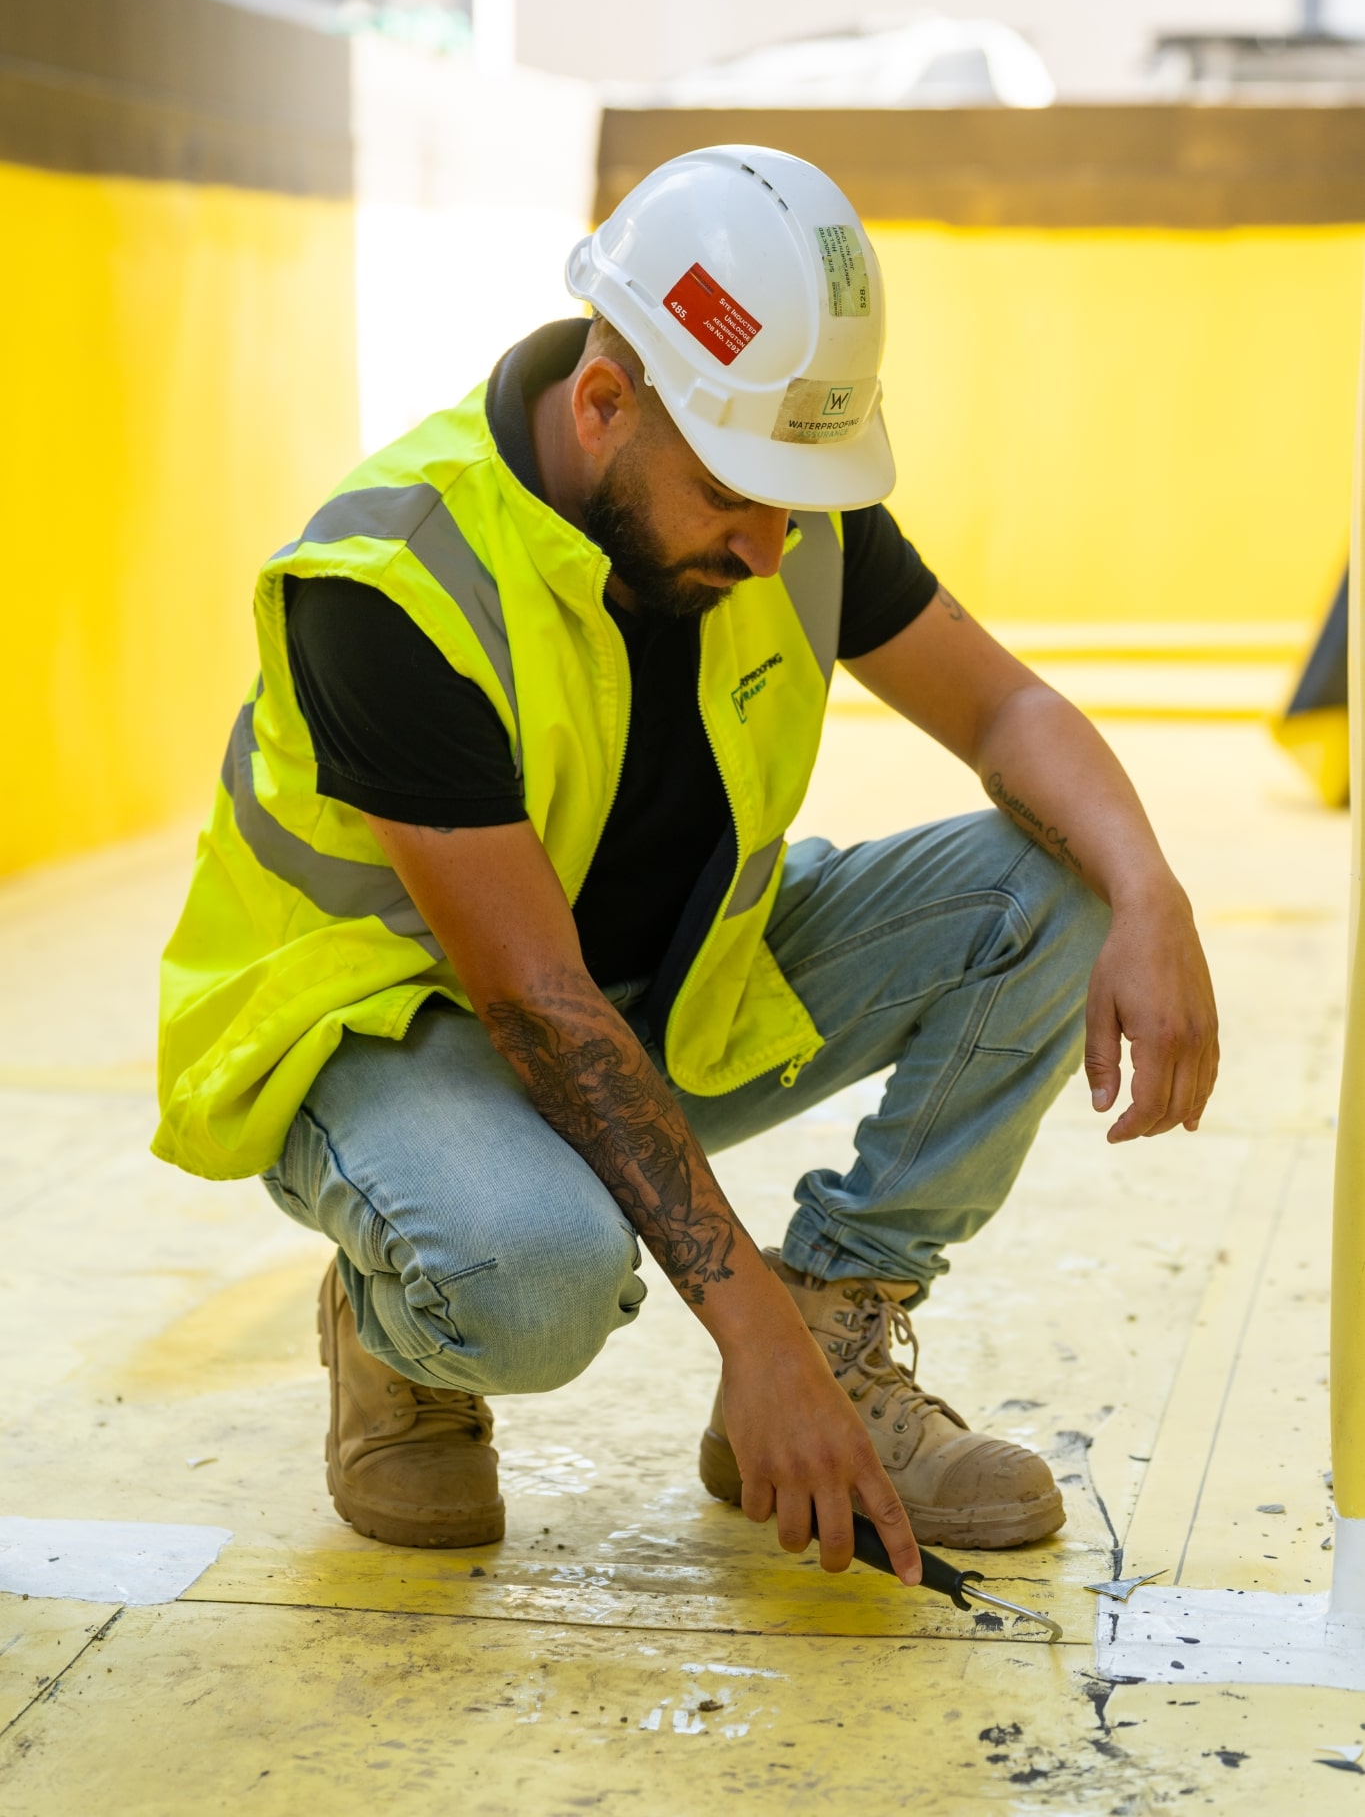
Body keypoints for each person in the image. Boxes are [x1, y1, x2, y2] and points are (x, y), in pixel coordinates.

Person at [156, 145, 1218, 1585]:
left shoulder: (770, 504)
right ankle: (395, 1328)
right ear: (603, 404)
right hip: (390, 1034)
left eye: (797, 497)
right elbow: (536, 1002)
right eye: (740, 496)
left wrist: (1149, 891)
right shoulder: (389, 585)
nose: (775, 547)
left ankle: (844, 1326)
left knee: (1054, 883)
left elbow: (1008, 709)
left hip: (653, 984)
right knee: (530, 1284)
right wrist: (745, 1342)